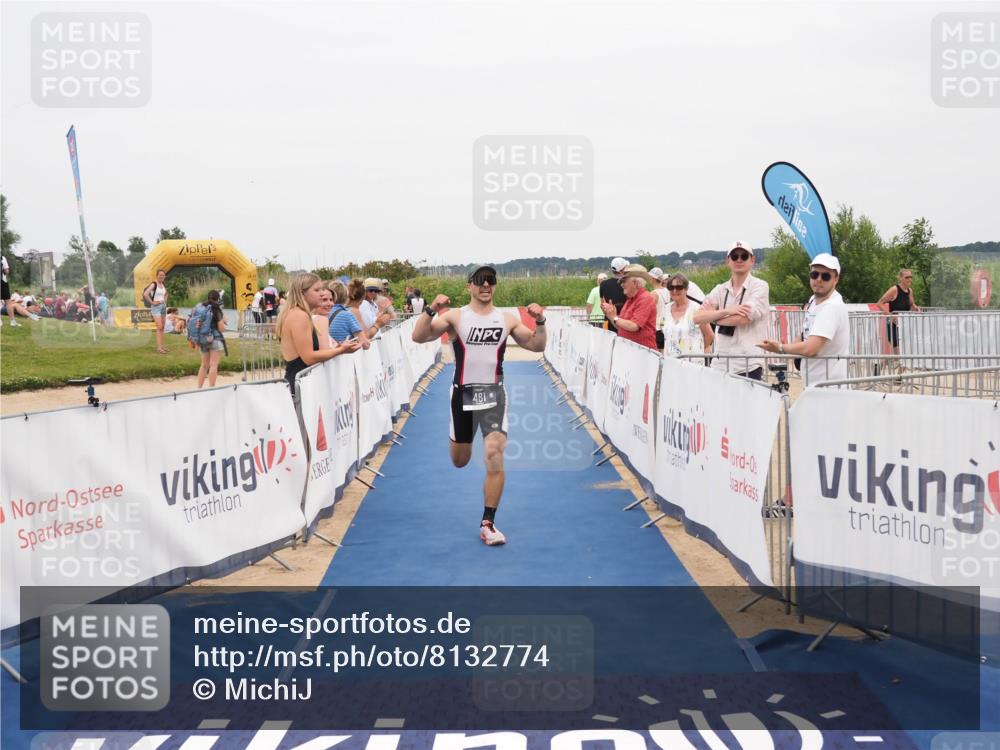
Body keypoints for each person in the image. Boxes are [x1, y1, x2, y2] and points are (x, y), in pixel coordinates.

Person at [411, 265, 547, 546]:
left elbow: (536, 346)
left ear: (495, 286)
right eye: (480, 281)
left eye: (491, 280)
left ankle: (488, 523)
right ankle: (456, 436)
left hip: (494, 394)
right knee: (460, 460)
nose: (486, 285)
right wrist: (430, 310)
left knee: (494, 453)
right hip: (463, 395)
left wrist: (541, 321)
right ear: (469, 286)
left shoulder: (506, 319)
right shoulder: (456, 317)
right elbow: (419, 336)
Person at [759, 254, 848, 386]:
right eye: (814, 274)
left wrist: (780, 348)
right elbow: (805, 333)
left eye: (825, 276)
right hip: (815, 382)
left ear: (836, 279)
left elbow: (811, 348)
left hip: (829, 387)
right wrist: (790, 347)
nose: (819, 279)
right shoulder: (813, 300)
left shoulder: (831, 307)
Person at [694, 241, 770, 379]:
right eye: (734, 256)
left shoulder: (760, 286)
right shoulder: (720, 289)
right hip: (720, 363)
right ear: (728, 260)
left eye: (744, 256)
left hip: (748, 364)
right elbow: (697, 317)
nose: (739, 260)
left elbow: (742, 319)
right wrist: (727, 311)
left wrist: (712, 317)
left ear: (752, 259)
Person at [277, 273, 361, 393]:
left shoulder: (296, 313)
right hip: (300, 386)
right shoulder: (299, 315)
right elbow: (309, 358)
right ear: (302, 293)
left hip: (301, 382)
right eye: (316, 290)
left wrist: (338, 348)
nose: (322, 293)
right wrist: (341, 350)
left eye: (321, 289)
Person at [600, 264, 658, 350]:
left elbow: (634, 326)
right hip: (631, 352)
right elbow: (620, 326)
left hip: (643, 354)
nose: (621, 285)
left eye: (624, 281)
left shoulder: (645, 298)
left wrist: (614, 317)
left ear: (635, 283)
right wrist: (610, 315)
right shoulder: (630, 300)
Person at [662, 273, 715, 357]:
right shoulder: (665, 309)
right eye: (671, 288)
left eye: (679, 287)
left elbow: (709, 335)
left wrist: (697, 351)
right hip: (670, 363)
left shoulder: (696, 309)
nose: (674, 290)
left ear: (686, 289)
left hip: (692, 364)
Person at [188, 290, 227, 388]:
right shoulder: (216, 310)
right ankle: (211, 388)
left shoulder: (201, 307)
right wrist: (224, 321)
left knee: (204, 365)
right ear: (218, 299)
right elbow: (221, 328)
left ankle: (199, 388)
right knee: (213, 365)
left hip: (202, 339)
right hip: (215, 339)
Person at [877, 268, 921, 356]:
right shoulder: (894, 289)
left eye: (910, 277)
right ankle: (892, 364)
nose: (909, 279)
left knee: (905, 347)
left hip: (905, 323)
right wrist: (891, 316)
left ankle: (899, 366)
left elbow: (912, 304)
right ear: (900, 278)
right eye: (907, 277)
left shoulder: (910, 291)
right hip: (894, 323)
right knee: (897, 346)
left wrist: (917, 309)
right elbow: (880, 303)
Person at [327, 280, 370, 348]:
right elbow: (365, 344)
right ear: (346, 297)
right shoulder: (348, 316)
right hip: (345, 356)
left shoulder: (321, 314)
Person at [598, 258, 628, 333]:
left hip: (609, 319)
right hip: (625, 320)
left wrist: (608, 314)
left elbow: (602, 304)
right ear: (623, 269)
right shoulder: (627, 283)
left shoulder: (603, 284)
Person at [143, 269, 169, 354]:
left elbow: (166, 294)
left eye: (163, 275)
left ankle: (162, 346)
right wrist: (152, 302)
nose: (162, 276)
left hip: (163, 307)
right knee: (159, 326)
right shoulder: (154, 284)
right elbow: (145, 294)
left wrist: (164, 301)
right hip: (156, 307)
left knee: (162, 328)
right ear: (157, 275)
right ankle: (159, 348)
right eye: (160, 275)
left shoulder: (163, 284)